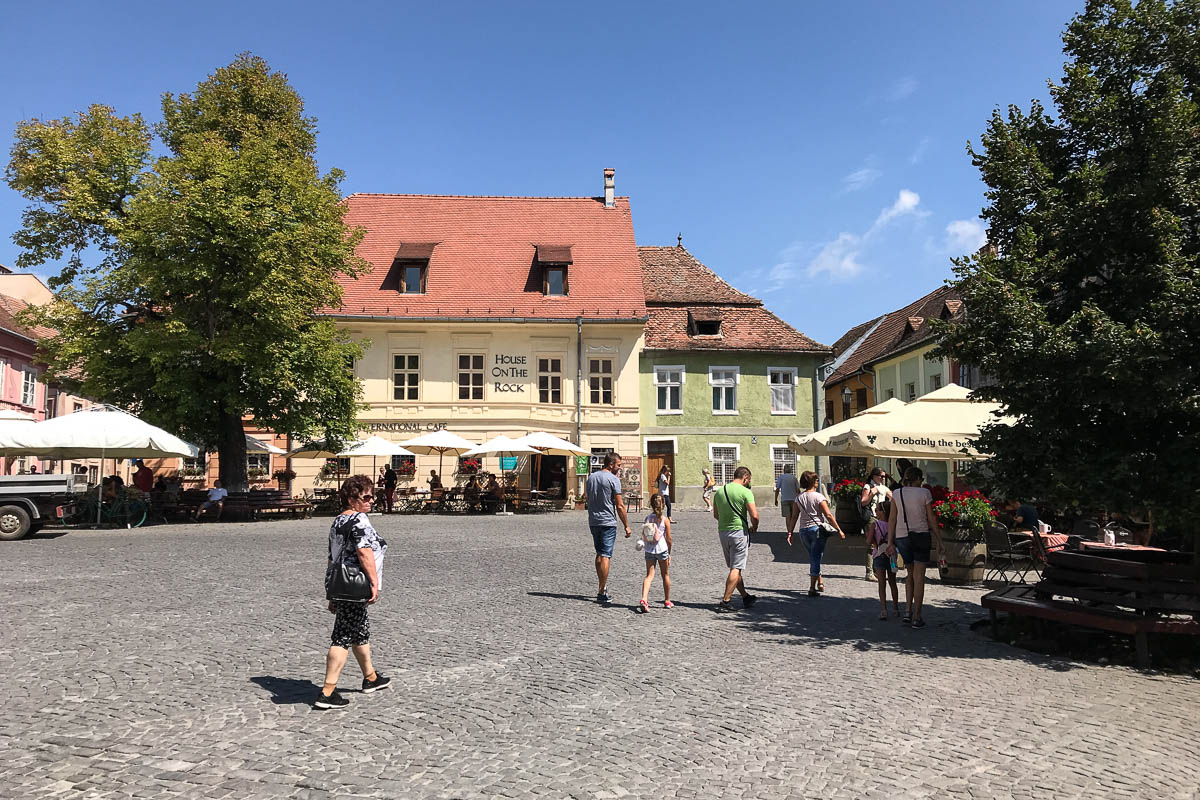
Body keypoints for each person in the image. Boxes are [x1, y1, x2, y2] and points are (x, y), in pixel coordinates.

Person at [316, 475, 391, 709]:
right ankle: (327, 692)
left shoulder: (338, 521)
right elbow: (364, 553)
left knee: (359, 631)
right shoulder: (360, 520)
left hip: (340, 583)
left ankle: (371, 677)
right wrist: (374, 582)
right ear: (351, 499)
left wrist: (330, 590)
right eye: (366, 497)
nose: (371, 501)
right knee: (342, 636)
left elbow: (332, 556)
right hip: (354, 584)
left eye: (372, 496)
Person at [887, 466, 941, 629]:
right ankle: (917, 616)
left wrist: (890, 542)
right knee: (919, 577)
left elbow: (892, 519)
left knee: (910, 574)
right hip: (921, 536)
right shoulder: (924, 493)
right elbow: (931, 519)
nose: (922, 482)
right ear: (917, 479)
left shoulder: (897, 493)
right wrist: (939, 539)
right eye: (921, 479)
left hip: (902, 537)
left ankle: (907, 611)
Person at [787, 471, 845, 596]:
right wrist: (839, 529)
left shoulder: (799, 498)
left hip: (803, 532)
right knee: (815, 558)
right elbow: (828, 515)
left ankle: (820, 582)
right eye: (816, 480)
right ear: (812, 482)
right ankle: (812, 588)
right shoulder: (819, 497)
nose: (818, 482)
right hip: (817, 531)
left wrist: (790, 532)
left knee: (814, 557)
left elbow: (794, 516)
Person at [585, 453, 631, 604]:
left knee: (599, 553)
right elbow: (619, 505)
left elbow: (588, 497)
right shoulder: (613, 480)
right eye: (618, 465)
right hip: (608, 522)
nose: (619, 468)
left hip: (593, 521)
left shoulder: (591, 478)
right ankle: (602, 590)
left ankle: (601, 587)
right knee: (605, 555)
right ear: (611, 464)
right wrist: (626, 525)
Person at [712, 466, 759, 613]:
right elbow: (755, 516)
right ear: (745, 477)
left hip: (723, 532)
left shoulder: (720, 491)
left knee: (734, 567)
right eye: (748, 480)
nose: (748, 483)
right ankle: (726, 601)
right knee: (736, 568)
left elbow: (716, 515)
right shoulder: (746, 492)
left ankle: (745, 597)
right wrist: (754, 527)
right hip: (738, 532)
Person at [637, 493, 673, 613]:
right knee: (665, 575)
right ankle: (667, 601)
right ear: (663, 505)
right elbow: (669, 539)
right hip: (662, 549)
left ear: (651, 505)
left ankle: (644, 599)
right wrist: (669, 553)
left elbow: (644, 534)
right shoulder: (665, 520)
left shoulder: (647, 518)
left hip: (649, 549)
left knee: (649, 575)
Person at [868, 501, 900, 619]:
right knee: (893, 582)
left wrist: (874, 541)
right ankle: (896, 609)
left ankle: (883, 610)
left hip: (879, 555)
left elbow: (869, 540)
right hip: (892, 555)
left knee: (882, 583)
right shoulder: (894, 524)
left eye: (877, 509)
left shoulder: (875, 525)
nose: (876, 511)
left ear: (883, 512)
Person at [859, 468, 892, 581]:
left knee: (880, 544)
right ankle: (869, 572)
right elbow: (863, 502)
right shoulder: (868, 487)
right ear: (874, 476)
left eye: (884, 477)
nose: (883, 478)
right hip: (871, 517)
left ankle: (877, 570)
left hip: (881, 518)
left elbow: (893, 498)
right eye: (881, 476)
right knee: (871, 544)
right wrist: (872, 493)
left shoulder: (883, 487)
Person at [774, 464, 800, 535]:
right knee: (793, 517)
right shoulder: (794, 478)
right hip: (794, 500)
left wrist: (775, 499)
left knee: (788, 517)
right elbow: (798, 490)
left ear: (784, 470)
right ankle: (791, 531)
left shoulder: (781, 477)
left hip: (784, 499)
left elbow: (777, 489)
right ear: (791, 470)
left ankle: (789, 533)